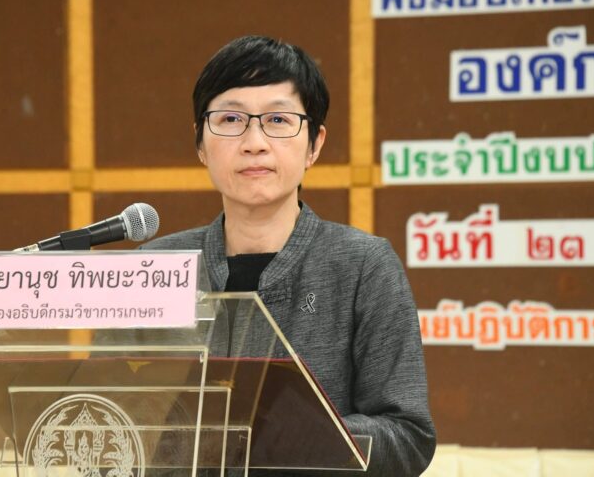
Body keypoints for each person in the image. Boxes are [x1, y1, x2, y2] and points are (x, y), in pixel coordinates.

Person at [142, 35, 436, 476]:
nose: (254, 142)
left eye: (278, 120)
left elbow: (408, 438)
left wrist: (302, 434)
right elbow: (113, 419)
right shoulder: (155, 268)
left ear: (314, 144)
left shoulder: (363, 266)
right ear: (200, 143)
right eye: (230, 119)